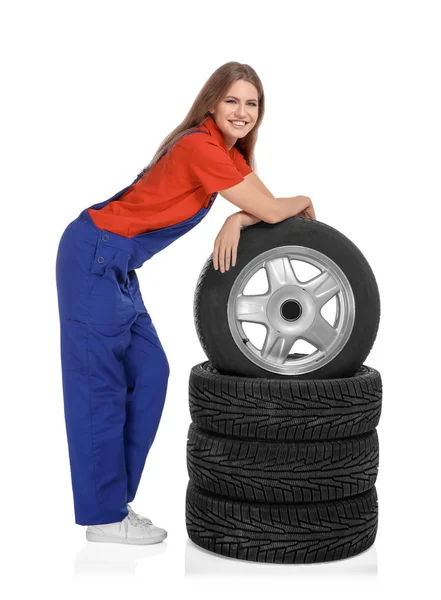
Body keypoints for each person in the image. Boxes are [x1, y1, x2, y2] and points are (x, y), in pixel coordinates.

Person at [55, 61, 316, 546]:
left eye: (252, 103)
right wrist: (299, 198)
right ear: (212, 104)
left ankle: (112, 505)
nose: (242, 112)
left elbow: (262, 207)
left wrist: (236, 220)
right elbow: (279, 208)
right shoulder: (199, 144)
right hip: (93, 255)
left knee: (151, 373)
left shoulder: (227, 154)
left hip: (115, 264)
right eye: (232, 101)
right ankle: (104, 517)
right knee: (100, 387)